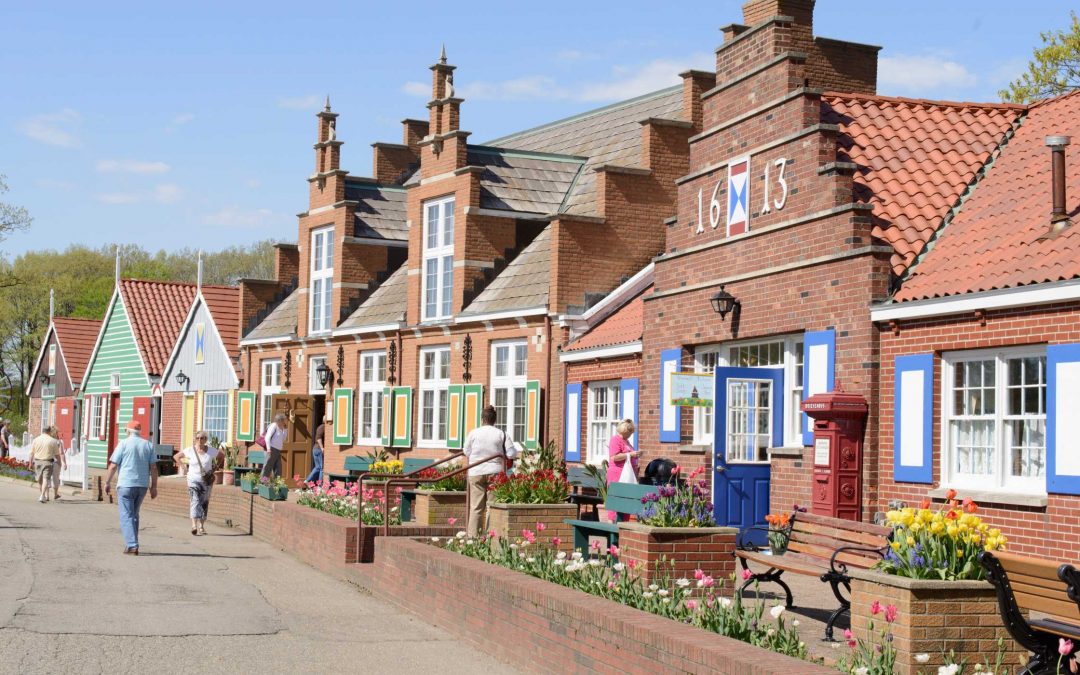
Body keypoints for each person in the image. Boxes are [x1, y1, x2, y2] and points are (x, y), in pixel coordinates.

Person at [104, 420, 158, 555]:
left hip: (126, 483)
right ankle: (132, 542)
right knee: (134, 514)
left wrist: (107, 482)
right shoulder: (148, 445)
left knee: (126, 515)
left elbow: (113, 465)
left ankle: (132, 545)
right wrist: (154, 486)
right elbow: (153, 467)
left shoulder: (123, 444)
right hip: (142, 485)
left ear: (127, 431)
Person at [463, 405, 518, 537]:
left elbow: (466, 451)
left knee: (476, 507)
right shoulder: (501, 433)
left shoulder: (473, 433)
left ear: (482, 419)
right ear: (495, 420)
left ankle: (472, 539)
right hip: (495, 471)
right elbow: (511, 453)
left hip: (476, 471)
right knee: (492, 507)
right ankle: (490, 538)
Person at [173, 430, 220, 536]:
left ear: (206, 440)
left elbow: (221, 456)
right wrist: (182, 466)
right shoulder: (190, 450)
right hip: (193, 479)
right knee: (194, 500)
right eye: (197, 438)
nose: (200, 440)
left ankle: (201, 525)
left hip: (206, 480)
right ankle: (194, 525)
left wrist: (215, 468)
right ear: (195, 439)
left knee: (204, 502)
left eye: (202, 438)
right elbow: (176, 456)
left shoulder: (211, 451)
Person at [31, 426, 62, 503]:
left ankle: (43, 495)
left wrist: (30, 462)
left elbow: (32, 453)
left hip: (37, 461)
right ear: (49, 431)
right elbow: (57, 454)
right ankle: (42, 495)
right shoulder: (53, 441)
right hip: (48, 461)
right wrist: (60, 462)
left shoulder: (36, 440)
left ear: (43, 431)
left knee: (40, 479)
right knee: (45, 479)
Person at [606, 419, 641, 485]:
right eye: (630, 432)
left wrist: (636, 455)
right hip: (618, 475)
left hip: (628, 474)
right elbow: (614, 457)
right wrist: (630, 454)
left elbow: (630, 454)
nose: (631, 434)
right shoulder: (615, 439)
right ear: (625, 431)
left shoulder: (626, 441)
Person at [260, 413, 288, 480]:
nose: (285, 422)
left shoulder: (281, 428)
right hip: (271, 449)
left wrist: (285, 430)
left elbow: (283, 439)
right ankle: (263, 482)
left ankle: (277, 484)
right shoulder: (273, 426)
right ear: (280, 420)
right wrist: (269, 449)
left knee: (278, 468)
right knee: (267, 467)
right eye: (284, 420)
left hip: (277, 450)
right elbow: (267, 438)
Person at [305, 418, 325, 485]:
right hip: (319, 449)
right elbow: (318, 438)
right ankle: (320, 485)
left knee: (317, 467)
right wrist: (322, 447)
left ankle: (307, 481)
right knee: (322, 468)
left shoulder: (320, 427)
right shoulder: (323, 427)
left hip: (315, 449)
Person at [51, 433, 68, 500]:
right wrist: (64, 463)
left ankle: (46, 495)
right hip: (56, 462)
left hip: (47, 460)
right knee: (56, 478)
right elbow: (61, 453)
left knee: (46, 478)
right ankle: (55, 494)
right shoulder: (58, 442)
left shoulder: (47, 441)